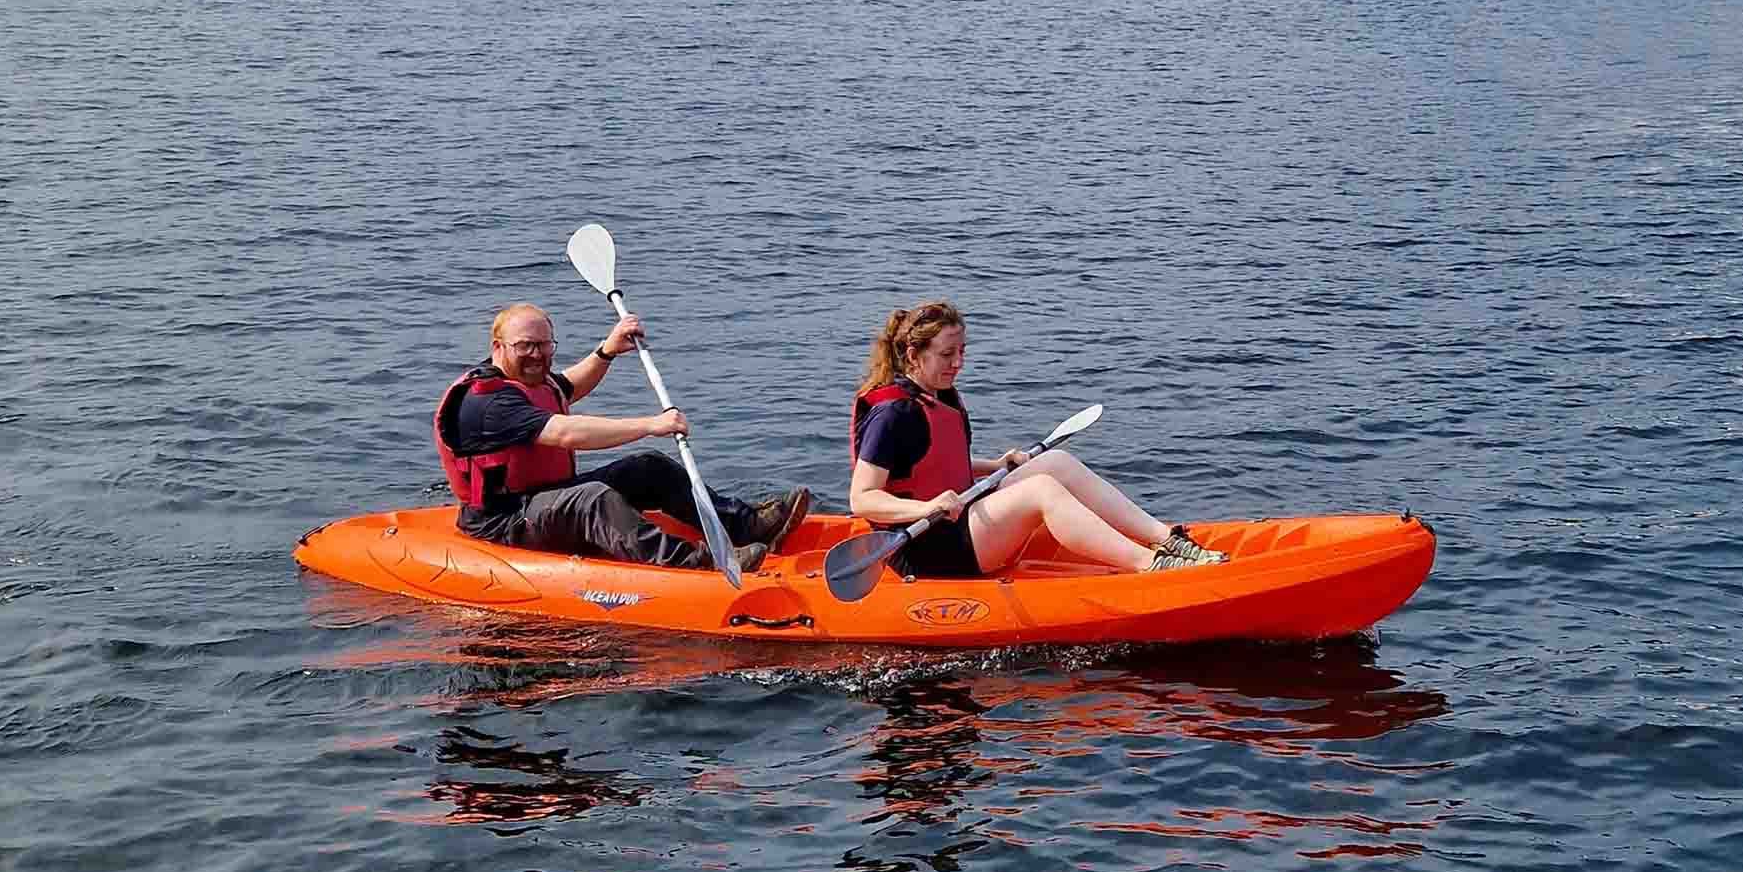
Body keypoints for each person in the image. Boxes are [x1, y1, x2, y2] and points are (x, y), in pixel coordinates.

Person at [848, 300, 1226, 579]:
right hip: (925, 548)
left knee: (1053, 463)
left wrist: (994, 467)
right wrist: (926, 508)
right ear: (914, 356)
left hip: (955, 522)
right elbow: (862, 498)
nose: (958, 363)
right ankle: (1150, 566)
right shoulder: (892, 413)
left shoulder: (938, 395)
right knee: (1041, 489)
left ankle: (1167, 540)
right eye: (947, 354)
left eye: (962, 352)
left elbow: (927, 464)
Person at [435, 302, 810, 571]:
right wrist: (650, 424)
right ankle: (699, 562)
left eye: (545, 345)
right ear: (497, 348)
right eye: (525, 347)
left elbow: (567, 387)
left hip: (543, 501)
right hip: (505, 523)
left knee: (649, 468)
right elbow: (566, 432)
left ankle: (743, 526)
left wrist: (606, 351)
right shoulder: (485, 404)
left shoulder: (529, 380)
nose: (537, 355)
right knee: (592, 499)